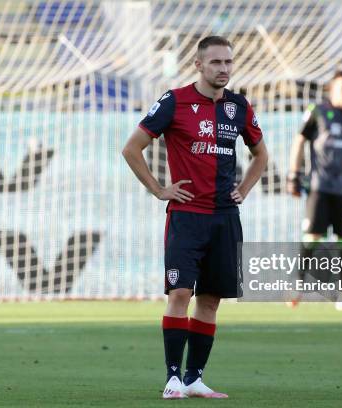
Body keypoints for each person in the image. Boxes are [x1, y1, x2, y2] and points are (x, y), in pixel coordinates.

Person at [122, 36, 268, 399]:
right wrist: (159, 189)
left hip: (224, 217)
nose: (223, 69)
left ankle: (194, 379)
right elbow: (132, 148)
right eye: (216, 62)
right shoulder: (175, 101)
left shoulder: (239, 106)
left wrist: (244, 189)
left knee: (212, 299)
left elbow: (261, 155)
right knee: (181, 292)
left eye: (228, 62)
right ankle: (172, 379)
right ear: (199, 65)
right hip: (187, 215)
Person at [286, 70, 342, 311]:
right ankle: (298, 284)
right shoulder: (317, 112)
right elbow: (299, 140)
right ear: (331, 89)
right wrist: (294, 175)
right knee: (313, 236)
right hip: (319, 187)